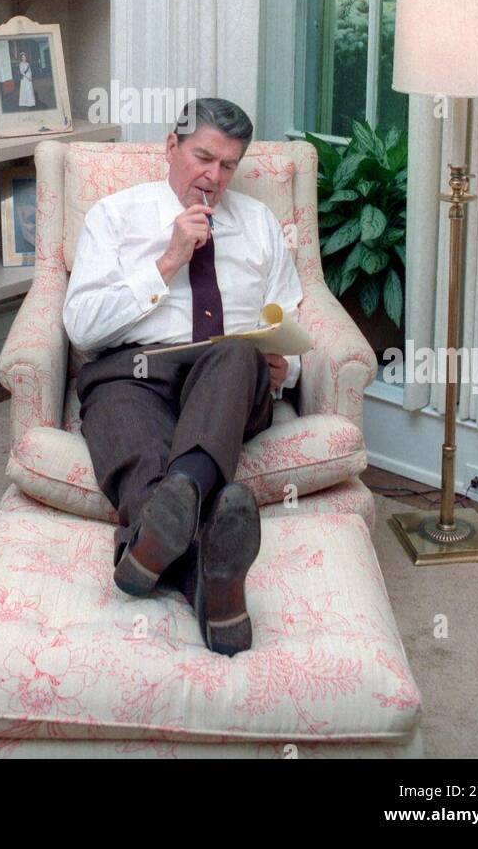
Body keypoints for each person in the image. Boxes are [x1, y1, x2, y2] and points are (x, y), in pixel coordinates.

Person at [63, 97, 304, 657]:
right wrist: (167, 261)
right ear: (171, 148)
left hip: (227, 377)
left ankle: (171, 512)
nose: (213, 177)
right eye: (202, 157)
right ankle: (212, 586)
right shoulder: (115, 216)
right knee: (129, 425)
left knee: (238, 355)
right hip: (131, 371)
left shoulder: (260, 224)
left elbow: (293, 318)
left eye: (227, 165)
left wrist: (285, 366)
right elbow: (80, 329)